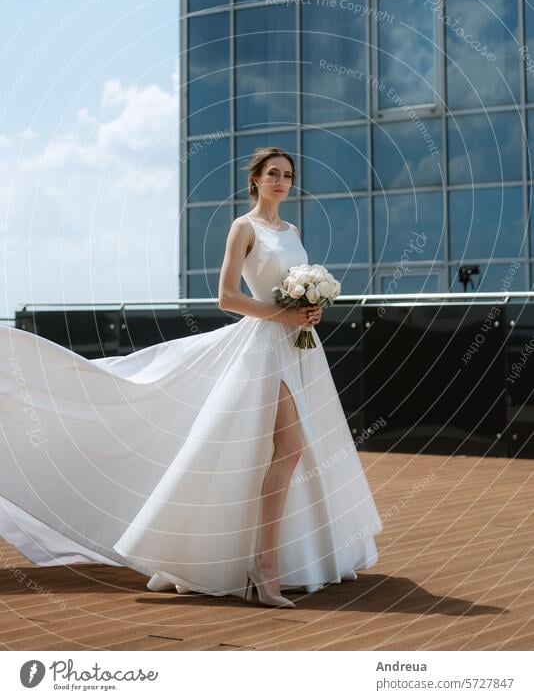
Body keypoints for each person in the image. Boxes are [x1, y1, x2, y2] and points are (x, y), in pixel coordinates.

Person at [0, 146, 383, 609]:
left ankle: (277, 558)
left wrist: (310, 310)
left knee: (286, 452)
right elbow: (226, 297)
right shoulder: (244, 228)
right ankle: (264, 569)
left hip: (300, 350)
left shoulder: (293, 231)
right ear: (255, 180)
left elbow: (289, 298)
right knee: (293, 449)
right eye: (273, 174)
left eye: (288, 175)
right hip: (264, 349)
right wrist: (282, 313)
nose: (282, 181)